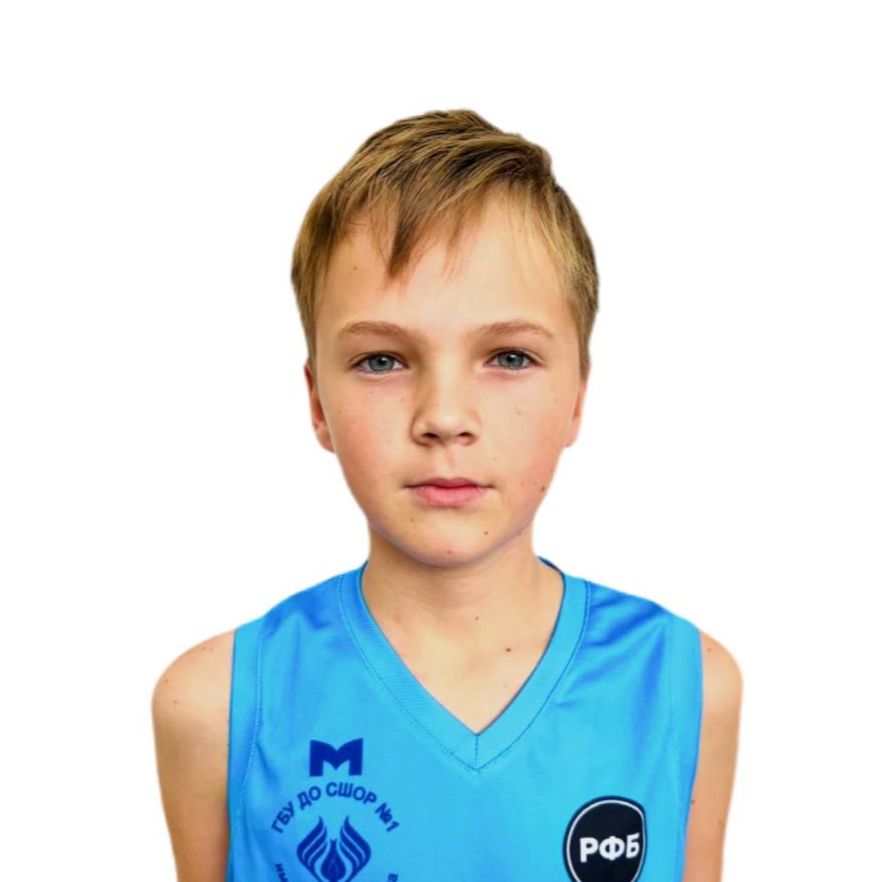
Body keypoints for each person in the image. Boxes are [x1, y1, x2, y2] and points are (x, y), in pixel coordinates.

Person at [152, 108, 742, 882]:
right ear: (318, 403)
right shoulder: (220, 706)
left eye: (509, 356)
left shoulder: (681, 684)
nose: (445, 417)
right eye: (382, 361)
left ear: (577, 397)